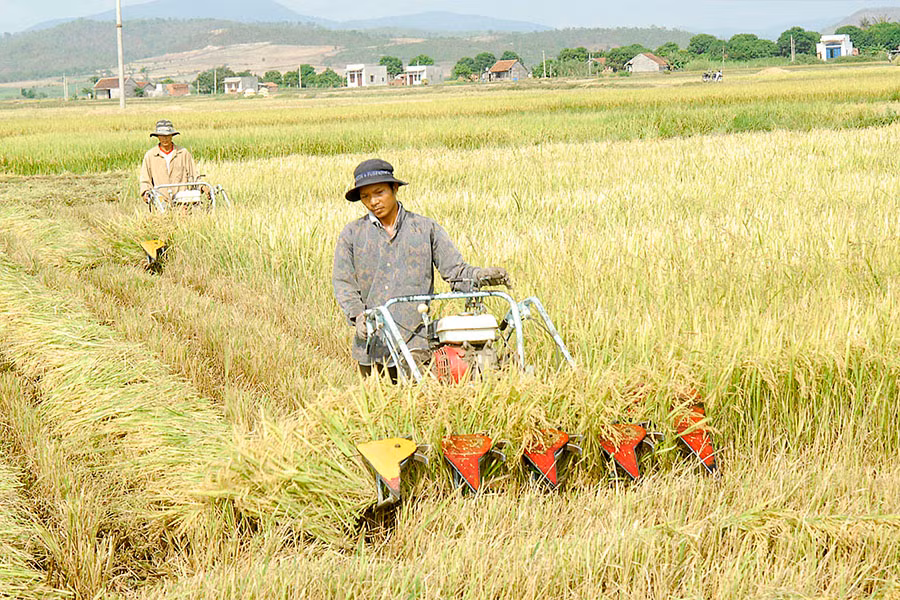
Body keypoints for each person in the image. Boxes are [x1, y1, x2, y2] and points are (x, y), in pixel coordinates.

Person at [332, 158, 510, 380]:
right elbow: (344, 284)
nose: (373, 202)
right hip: (373, 345)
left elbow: (456, 272)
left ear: (394, 188)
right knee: (378, 399)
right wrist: (359, 316)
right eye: (365, 197)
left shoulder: (425, 228)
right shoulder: (352, 234)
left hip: (416, 343)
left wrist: (480, 277)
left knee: (423, 395)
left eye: (379, 193)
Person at [139, 119, 200, 205]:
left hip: (182, 201)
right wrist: (145, 192)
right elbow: (145, 180)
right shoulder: (150, 156)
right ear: (158, 137)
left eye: (167, 135)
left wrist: (202, 187)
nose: (165, 138)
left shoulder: (183, 153)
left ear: (172, 136)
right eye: (162, 136)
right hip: (160, 203)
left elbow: (194, 175)